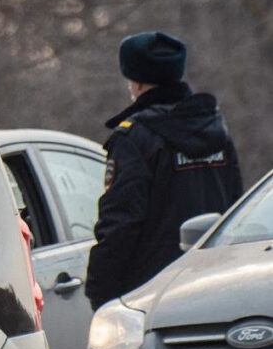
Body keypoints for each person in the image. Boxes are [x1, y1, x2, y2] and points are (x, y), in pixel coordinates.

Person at [85, 31, 243, 311]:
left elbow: (121, 222)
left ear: (136, 81)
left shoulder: (135, 139)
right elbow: (237, 209)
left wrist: (99, 290)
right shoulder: (217, 131)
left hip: (152, 294)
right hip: (216, 284)